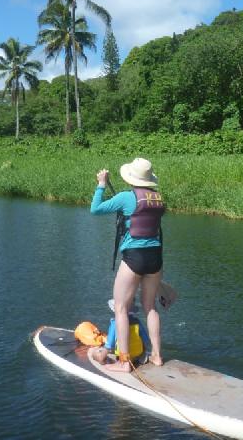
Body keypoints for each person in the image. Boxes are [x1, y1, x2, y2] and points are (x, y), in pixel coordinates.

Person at [90, 157, 165, 372]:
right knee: (150, 307)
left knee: (121, 308)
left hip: (134, 257)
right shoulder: (158, 198)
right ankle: (157, 356)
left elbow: (95, 209)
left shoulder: (125, 197)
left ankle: (125, 362)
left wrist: (102, 185)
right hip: (155, 257)